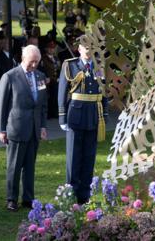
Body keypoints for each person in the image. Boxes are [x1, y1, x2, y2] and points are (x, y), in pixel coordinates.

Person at [0, 45, 48, 211]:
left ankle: (28, 198)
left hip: (34, 128)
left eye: (37, 62)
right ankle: (11, 199)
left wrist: (43, 126)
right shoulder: (10, 76)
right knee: (14, 166)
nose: (34, 65)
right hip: (16, 127)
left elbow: (42, 105)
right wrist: (1, 129)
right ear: (23, 58)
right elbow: (2, 104)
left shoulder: (40, 76)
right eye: (32, 61)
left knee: (30, 167)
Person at [58, 35, 108, 204]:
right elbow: (62, 91)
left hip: (93, 115)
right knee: (74, 156)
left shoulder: (99, 66)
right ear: (79, 49)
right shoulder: (70, 65)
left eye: (91, 48)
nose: (89, 52)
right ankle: (71, 192)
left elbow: (104, 91)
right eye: (86, 48)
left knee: (89, 156)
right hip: (75, 115)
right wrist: (62, 116)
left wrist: (105, 114)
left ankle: (84, 195)